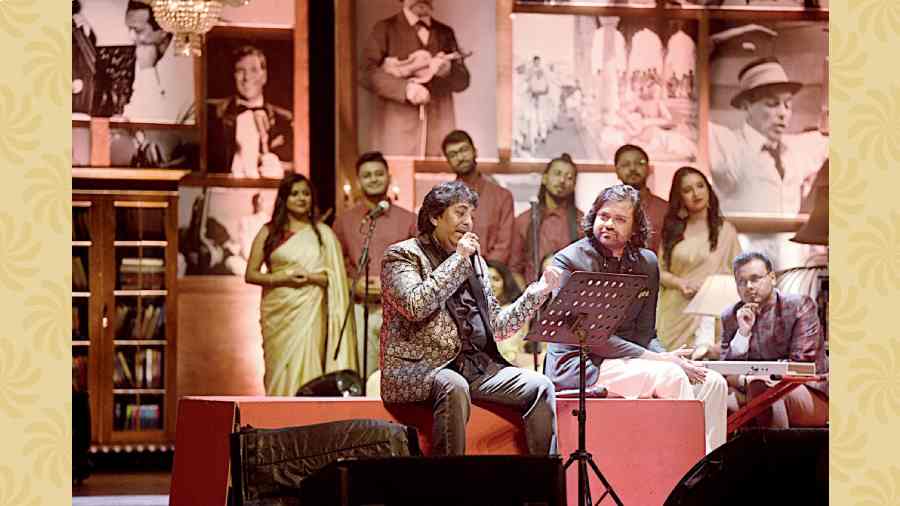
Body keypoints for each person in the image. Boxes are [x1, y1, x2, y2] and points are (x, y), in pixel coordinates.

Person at [380, 180, 561, 456]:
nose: (468, 222)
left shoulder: (473, 260)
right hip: (422, 370)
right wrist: (459, 259)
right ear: (434, 217)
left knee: (540, 385)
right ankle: (453, 490)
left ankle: (543, 484)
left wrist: (537, 292)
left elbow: (498, 327)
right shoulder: (402, 255)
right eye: (460, 213)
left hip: (476, 367)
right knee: (454, 385)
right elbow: (415, 305)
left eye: (471, 216)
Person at [544, 184, 727, 454]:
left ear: (634, 228)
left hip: (629, 360)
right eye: (603, 216)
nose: (608, 224)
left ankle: (709, 470)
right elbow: (594, 339)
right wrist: (662, 361)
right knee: (670, 376)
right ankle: (680, 471)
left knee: (712, 383)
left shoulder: (647, 263)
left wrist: (669, 356)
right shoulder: (570, 261)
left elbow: (646, 333)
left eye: (619, 219)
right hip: (582, 364)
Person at [707, 54, 827, 269]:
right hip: (745, 263)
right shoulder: (729, 146)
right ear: (747, 105)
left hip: (791, 264)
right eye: (772, 104)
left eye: (788, 105)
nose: (783, 113)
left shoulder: (798, 148)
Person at [245, 174, 357, 395]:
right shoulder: (269, 232)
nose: (301, 198)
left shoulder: (323, 234)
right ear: (284, 199)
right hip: (278, 312)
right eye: (294, 193)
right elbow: (250, 274)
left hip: (312, 310)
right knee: (278, 369)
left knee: (309, 363)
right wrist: (283, 278)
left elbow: (335, 279)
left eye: (306, 193)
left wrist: (310, 278)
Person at [717, 251, 828, 428]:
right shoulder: (731, 316)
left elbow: (801, 364)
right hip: (750, 389)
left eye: (755, 279)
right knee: (716, 397)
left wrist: (757, 379)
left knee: (764, 392)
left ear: (772, 278)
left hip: (807, 390)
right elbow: (725, 371)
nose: (749, 286)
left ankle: (775, 455)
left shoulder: (799, 306)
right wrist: (742, 334)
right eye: (741, 282)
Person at [332, 151, 418, 380]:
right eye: (367, 175)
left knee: (399, 378)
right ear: (358, 181)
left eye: (379, 174)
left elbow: (421, 265)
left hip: (399, 313)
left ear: (388, 178)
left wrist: (391, 285)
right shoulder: (345, 221)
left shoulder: (409, 220)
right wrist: (353, 283)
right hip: (361, 310)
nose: (373, 179)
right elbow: (335, 265)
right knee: (364, 376)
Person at [360, 0, 470, 156]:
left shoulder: (445, 33)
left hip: (439, 131)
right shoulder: (384, 29)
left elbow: (463, 81)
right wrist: (405, 89)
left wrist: (448, 71)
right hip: (398, 133)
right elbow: (366, 72)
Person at [657, 167, 742, 354]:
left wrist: (709, 286)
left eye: (700, 186)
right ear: (680, 198)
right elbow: (660, 271)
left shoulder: (725, 231)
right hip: (675, 311)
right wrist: (681, 283)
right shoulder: (673, 230)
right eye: (687, 190)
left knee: (707, 367)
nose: (696, 193)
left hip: (713, 310)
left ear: (708, 189)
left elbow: (738, 273)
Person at [207, 45, 294, 178]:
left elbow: (298, 165)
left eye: (254, 70)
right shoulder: (212, 113)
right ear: (234, 76)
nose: (247, 77)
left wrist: (280, 167)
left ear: (264, 76)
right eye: (240, 70)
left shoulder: (285, 120)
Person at [442, 129, 515, 265]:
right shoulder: (442, 200)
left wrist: (483, 274)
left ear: (475, 151)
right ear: (448, 161)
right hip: (452, 276)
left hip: (492, 275)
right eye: (453, 154)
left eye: (464, 150)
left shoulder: (502, 197)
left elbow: (503, 246)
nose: (460, 157)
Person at [509, 153, 583, 287]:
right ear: (544, 178)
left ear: (574, 185)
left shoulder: (582, 222)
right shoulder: (524, 220)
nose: (562, 180)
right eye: (557, 173)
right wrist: (528, 300)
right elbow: (515, 269)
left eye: (569, 177)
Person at [121, 1, 195, 124]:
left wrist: (147, 71)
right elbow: (137, 104)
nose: (132, 37)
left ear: (164, 29)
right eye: (129, 29)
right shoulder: (147, 50)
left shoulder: (187, 63)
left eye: (138, 31)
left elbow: (162, 122)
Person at [613, 144, 668, 253]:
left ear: (648, 169)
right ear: (617, 172)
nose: (633, 168)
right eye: (625, 164)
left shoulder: (666, 210)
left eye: (639, 163)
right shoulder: (606, 210)